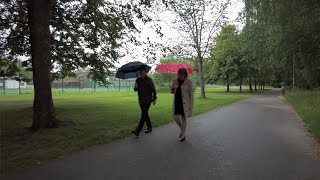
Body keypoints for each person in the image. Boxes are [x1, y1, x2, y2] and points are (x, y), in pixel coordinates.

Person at [132, 66, 157, 138]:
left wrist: (154, 98)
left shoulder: (149, 80)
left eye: (142, 72)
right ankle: (149, 127)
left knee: (143, 115)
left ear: (146, 72)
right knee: (145, 114)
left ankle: (137, 130)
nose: (141, 73)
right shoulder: (138, 80)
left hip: (148, 100)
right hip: (141, 100)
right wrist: (135, 86)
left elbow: (153, 90)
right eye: (140, 72)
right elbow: (135, 89)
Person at [171, 68, 194, 141]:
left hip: (185, 103)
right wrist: (173, 88)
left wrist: (191, 105)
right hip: (177, 103)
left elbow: (191, 95)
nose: (181, 75)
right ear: (178, 74)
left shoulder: (188, 82)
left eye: (183, 73)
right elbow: (172, 92)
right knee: (176, 118)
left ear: (185, 74)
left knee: (183, 118)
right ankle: (182, 129)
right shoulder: (175, 81)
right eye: (180, 73)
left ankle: (183, 135)